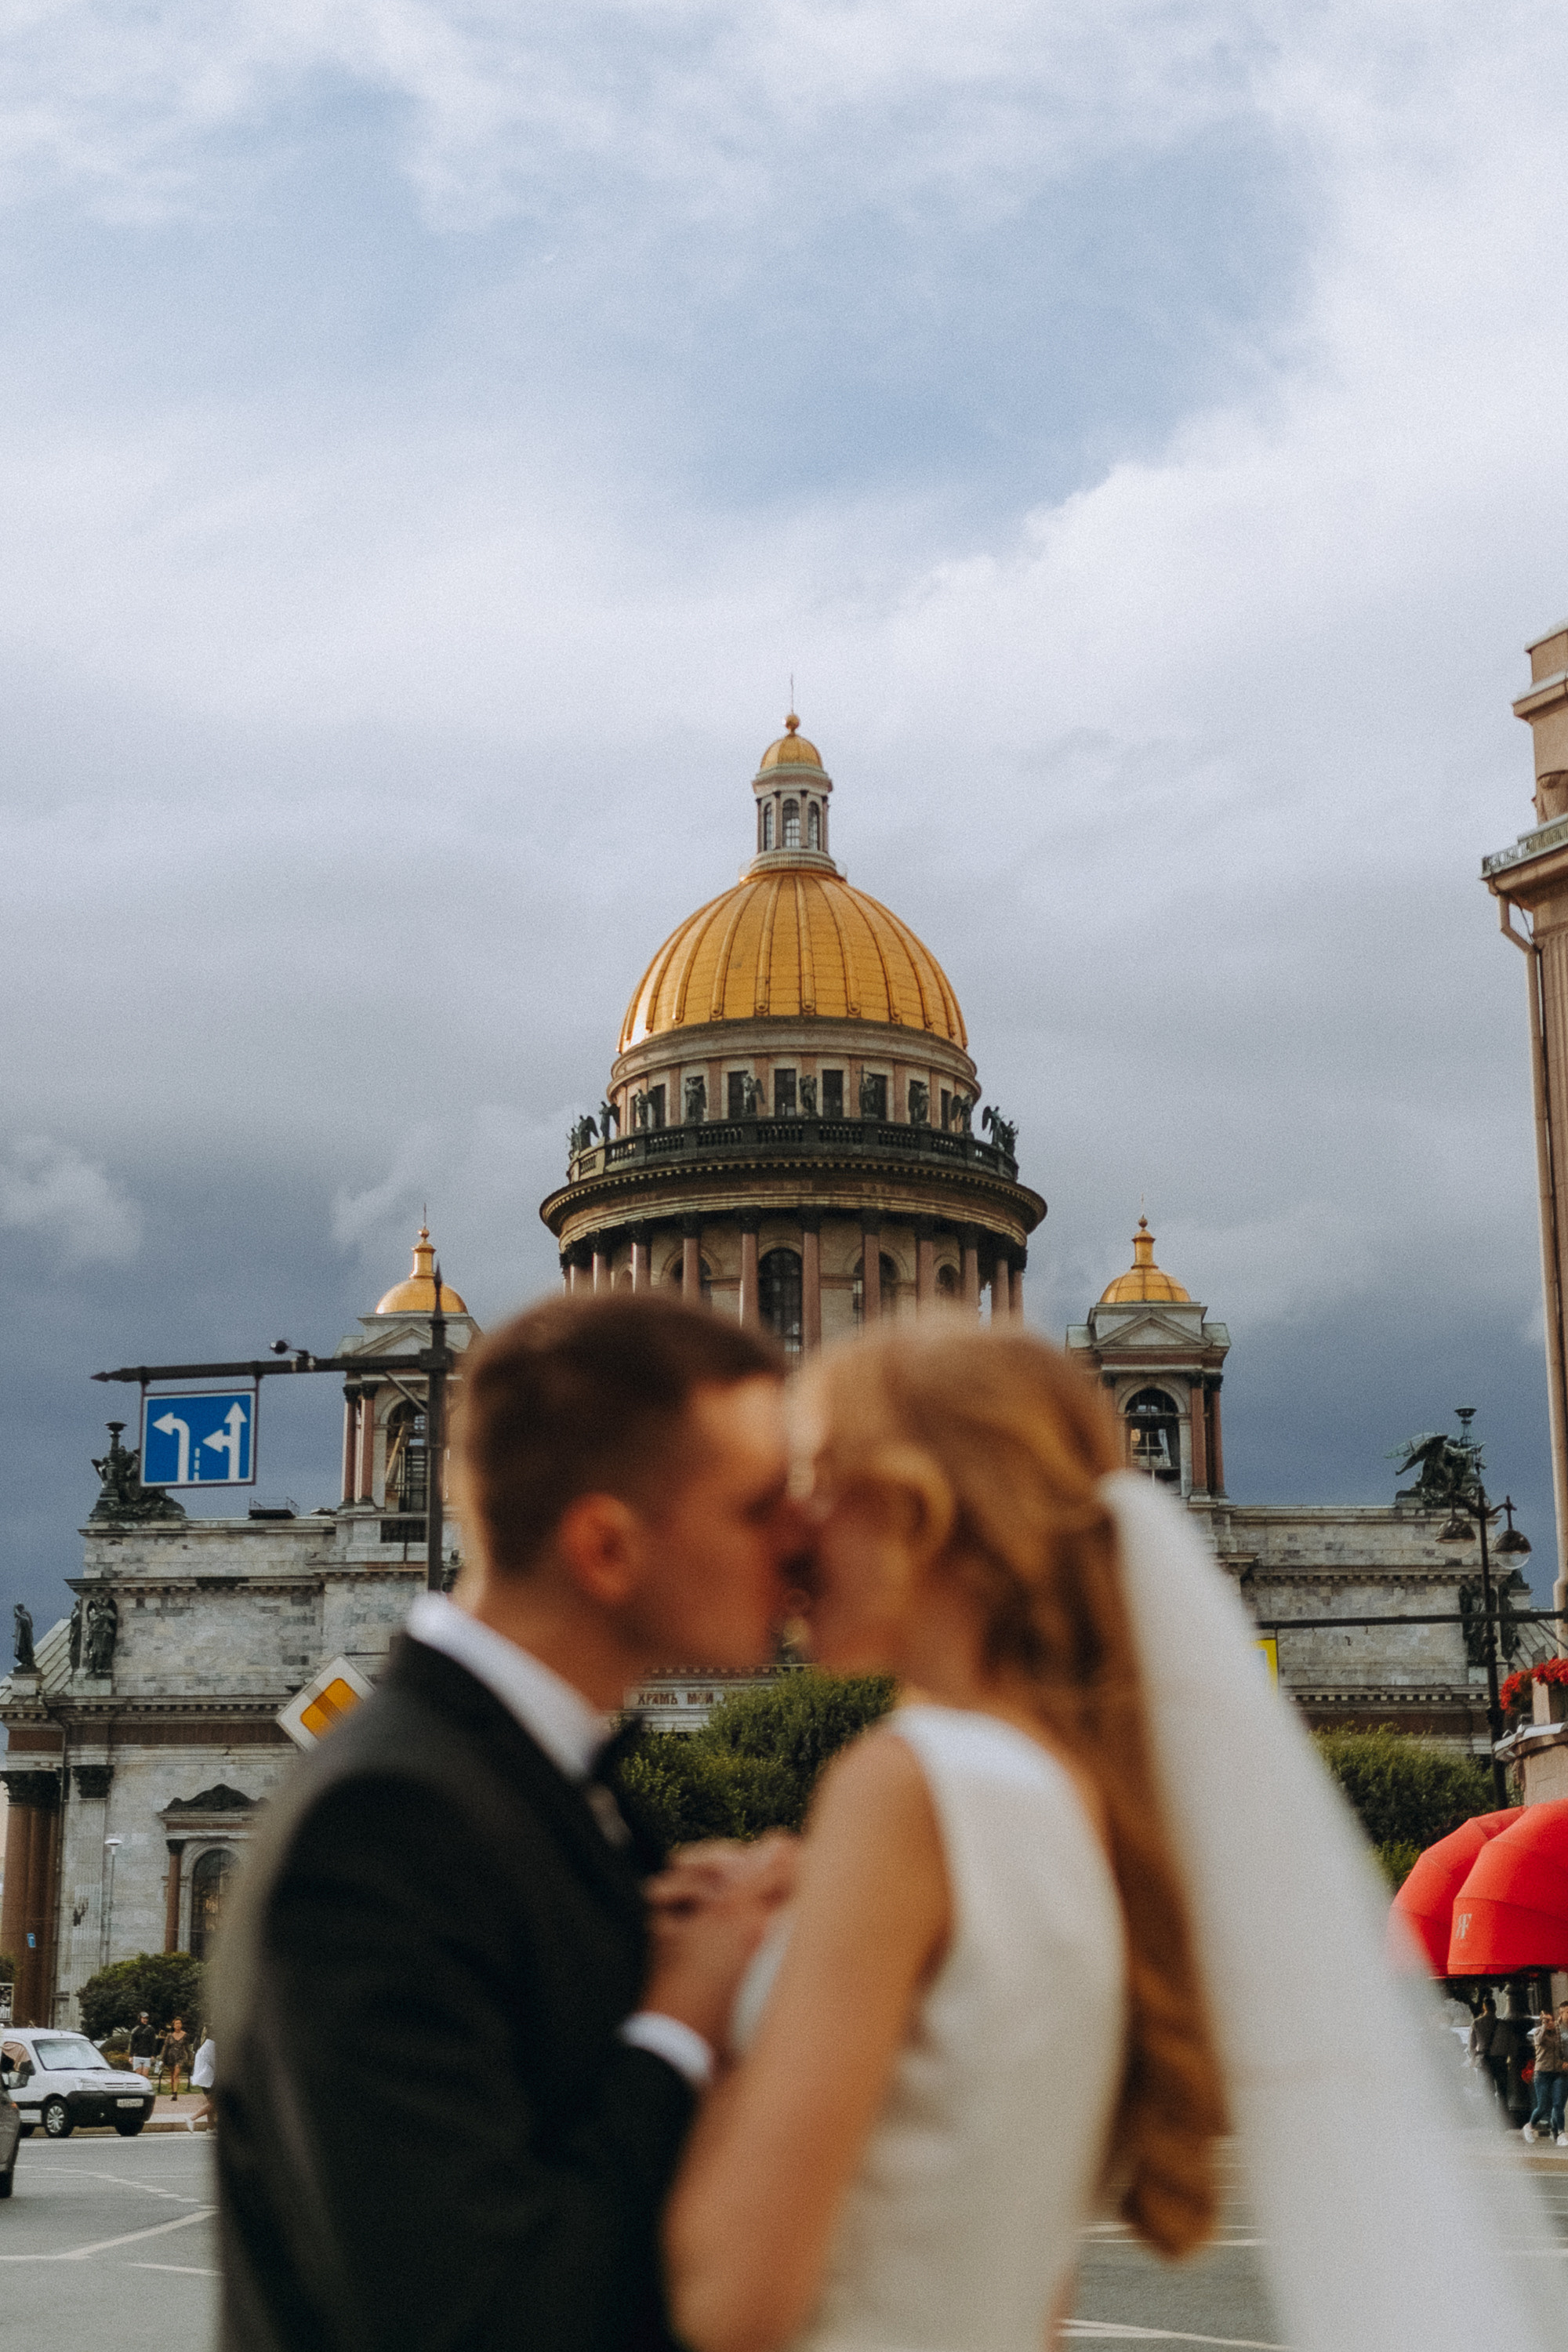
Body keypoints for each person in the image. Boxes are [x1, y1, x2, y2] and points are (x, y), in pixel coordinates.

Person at [658, 1326, 1568, 2352]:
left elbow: (734, 2300)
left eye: (814, 1479)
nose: (781, 1529)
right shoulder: (1088, 1813)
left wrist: (686, 2008)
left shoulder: (903, 1792)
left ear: (922, 1507)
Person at [214, 1295, 801, 2352]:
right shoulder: (379, 1828)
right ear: (607, 1547)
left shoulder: (554, 1788)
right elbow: (475, 2317)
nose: (798, 1545)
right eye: (757, 1507)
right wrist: (681, 2023)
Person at [191, 2031, 217, 2132]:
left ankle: (211, 2127)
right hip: (208, 2079)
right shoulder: (211, 2046)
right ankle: (192, 2118)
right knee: (215, 2103)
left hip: (204, 2079)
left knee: (211, 2103)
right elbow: (215, 2064)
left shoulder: (205, 2046)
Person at [158, 2016, 191, 2100]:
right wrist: (162, 2058)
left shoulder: (185, 2035)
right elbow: (165, 2048)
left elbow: (187, 2048)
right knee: (172, 2075)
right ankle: (173, 2091)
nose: (178, 2025)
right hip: (170, 2057)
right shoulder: (170, 2036)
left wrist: (191, 2058)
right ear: (173, 2026)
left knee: (176, 2074)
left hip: (180, 2057)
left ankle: (175, 2094)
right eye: (176, 2024)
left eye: (179, 2023)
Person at [128, 2011, 157, 2077]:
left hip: (147, 2056)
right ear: (140, 2019)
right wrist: (131, 2056)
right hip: (137, 2055)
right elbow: (132, 2043)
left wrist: (153, 2054)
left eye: (146, 2018)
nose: (145, 2020)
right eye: (144, 2018)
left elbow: (153, 2043)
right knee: (138, 2075)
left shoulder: (151, 2029)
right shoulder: (135, 2030)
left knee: (145, 2074)